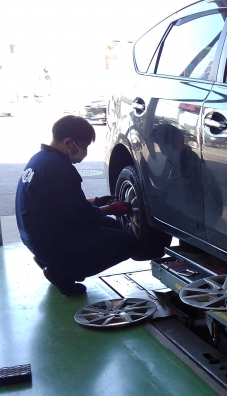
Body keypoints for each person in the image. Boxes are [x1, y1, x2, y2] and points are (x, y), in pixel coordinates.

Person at [15, 115, 139, 296]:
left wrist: (98, 202)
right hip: (51, 242)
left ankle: (50, 261)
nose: (84, 151)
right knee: (129, 243)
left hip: (36, 237)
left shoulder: (41, 159)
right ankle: (64, 272)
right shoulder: (60, 168)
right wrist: (112, 209)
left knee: (112, 225)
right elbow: (83, 216)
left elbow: (62, 203)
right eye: (84, 146)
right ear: (68, 142)